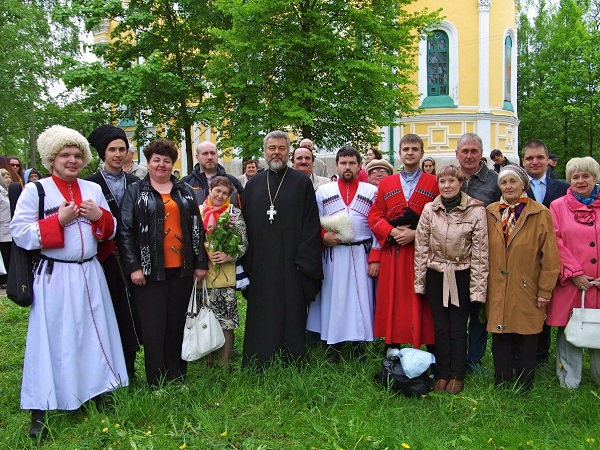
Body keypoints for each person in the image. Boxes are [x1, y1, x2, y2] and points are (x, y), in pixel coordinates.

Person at [10, 125, 128, 438]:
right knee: (52, 339)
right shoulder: (36, 191)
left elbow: (112, 228)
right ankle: (42, 408)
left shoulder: (91, 190)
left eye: (77, 155)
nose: (72, 160)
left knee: (94, 334)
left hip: (90, 273)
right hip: (55, 276)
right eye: (65, 155)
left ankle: (98, 392)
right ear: (52, 159)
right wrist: (56, 222)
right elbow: (19, 233)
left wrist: (98, 217)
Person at [119, 138, 208, 386]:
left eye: (166, 160)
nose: (161, 165)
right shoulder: (135, 191)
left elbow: (196, 228)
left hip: (182, 270)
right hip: (148, 272)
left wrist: (200, 262)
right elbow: (125, 231)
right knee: (154, 327)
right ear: (148, 163)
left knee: (177, 323)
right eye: (156, 160)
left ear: (172, 164)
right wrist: (134, 267)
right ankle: (156, 381)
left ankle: (178, 376)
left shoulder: (184, 191)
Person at [241, 130, 323, 368]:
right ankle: (259, 358)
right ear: (264, 151)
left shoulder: (301, 183)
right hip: (261, 263)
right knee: (262, 311)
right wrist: (248, 261)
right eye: (271, 148)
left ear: (288, 151)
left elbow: (311, 224)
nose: (276, 152)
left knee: (291, 310)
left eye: (281, 148)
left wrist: (303, 261)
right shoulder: (254, 185)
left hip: (291, 262)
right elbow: (244, 226)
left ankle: (293, 357)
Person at [414, 165, 488, 394]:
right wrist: (420, 280)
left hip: (461, 273)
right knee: (440, 327)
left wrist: (478, 290)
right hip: (436, 273)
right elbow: (421, 247)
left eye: (451, 182)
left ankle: (458, 373)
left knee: (457, 327)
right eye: (442, 182)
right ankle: (442, 372)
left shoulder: (476, 210)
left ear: (460, 183)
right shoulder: (430, 209)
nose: (446, 186)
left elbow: (480, 253)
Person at [486, 165, 560, 392]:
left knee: (527, 333)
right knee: (500, 333)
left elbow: (550, 256)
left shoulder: (539, 213)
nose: (508, 186)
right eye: (503, 182)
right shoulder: (491, 212)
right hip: (497, 284)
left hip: (527, 283)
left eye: (513, 182)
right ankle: (502, 378)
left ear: (523, 184)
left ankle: (525, 382)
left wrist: (545, 290)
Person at [306, 146, 378, 362]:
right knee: (333, 299)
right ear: (336, 165)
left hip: (360, 253)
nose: (348, 167)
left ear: (359, 166)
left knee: (360, 301)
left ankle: (359, 345)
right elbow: (312, 222)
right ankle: (333, 345)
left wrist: (375, 257)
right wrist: (322, 236)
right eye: (343, 163)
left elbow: (377, 225)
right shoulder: (324, 191)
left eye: (352, 163)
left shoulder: (371, 191)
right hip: (333, 255)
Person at [368, 134, 438, 349]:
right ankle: (393, 349)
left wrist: (416, 234)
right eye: (406, 149)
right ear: (399, 153)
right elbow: (375, 215)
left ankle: (427, 350)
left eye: (414, 149)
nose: (410, 153)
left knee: (423, 301)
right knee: (394, 301)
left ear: (422, 153)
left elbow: (443, 218)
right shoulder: (387, 183)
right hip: (394, 254)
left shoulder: (434, 183)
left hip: (423, 255)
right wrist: (391, 231)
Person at [87, 124, 142, 381]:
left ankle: (130, 368)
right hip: (105, 259)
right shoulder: (90, 185)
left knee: (134, 312)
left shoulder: (136, 183)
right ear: (103, 153)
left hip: (135, 258)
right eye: (112, 150)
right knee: (110, 313)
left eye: (122, 149)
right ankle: (108, 370)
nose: (118, 154)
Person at [546, 156, 600, 389]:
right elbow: (554, 241)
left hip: (598, 282)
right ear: (568, 180)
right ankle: (569, 381)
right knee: (570, 330)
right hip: (571, 281)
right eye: (575, 177)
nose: (580, 180)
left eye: (585, 175)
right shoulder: (557, 206)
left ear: (595, 178)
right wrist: (574, 273)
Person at [456, 132, 501, 374]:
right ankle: (455, 357)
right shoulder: (449, 178)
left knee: (478, 310)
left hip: (483, 256)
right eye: (465, 151)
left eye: (474, 151)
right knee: (455, 310)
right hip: (452, 257)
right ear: (457, 154)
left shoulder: (495, 182)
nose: (470, 156)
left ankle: (474, 359)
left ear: (481, 154)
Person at [522, 139, 569, 365]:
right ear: (523, 161)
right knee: (530, 304)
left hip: (555, 257)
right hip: (525, 259)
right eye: (529, 158)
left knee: (550, 305)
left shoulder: (562, 188)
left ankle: (545, 353)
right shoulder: (516, 187)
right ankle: (529, 353)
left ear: (547, 160)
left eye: (539, 157)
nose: (535, 162)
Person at [200, 177, 248, 369]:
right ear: (209, 190)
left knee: (226, 321)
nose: (220, 196)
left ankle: (224, 362)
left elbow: (244, 243)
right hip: (203, 275)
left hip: (225, 276)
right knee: (206, 318)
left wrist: (230, 255)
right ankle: (208, 361)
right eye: (217, 191)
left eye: (225, 193)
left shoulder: (234, 214)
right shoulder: (199, 211)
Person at [181, 141, 244, 207]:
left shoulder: (232, 182)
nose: (210, 157)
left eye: (213, 153)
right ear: (197, 157)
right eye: (205, 153)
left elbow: (243, 208)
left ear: (217, 156)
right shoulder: (186, 183)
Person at [0, 173, 10, 289]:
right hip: (2, 230)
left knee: (7, 256)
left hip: (8, 230)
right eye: (4, 176)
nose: (8, 178)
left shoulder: (5, 192)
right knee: (4, 255)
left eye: (8, 176)